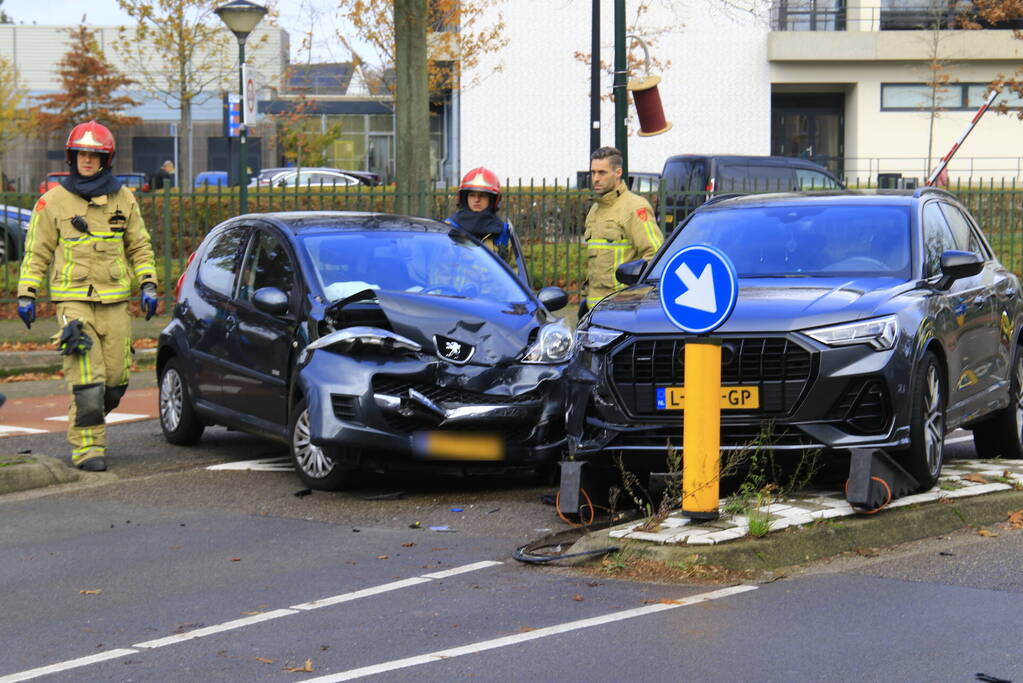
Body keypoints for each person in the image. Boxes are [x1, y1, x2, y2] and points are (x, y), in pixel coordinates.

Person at [16, 120, 158, 472]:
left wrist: (149, 284)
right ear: (72, 156)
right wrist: (27, 294)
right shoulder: (52, 203)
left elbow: (139, 246)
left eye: (95, 155)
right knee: (86, 380)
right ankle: (88, 449)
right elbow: (36, 253)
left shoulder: (124, 199)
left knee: (116, 381)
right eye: (82, 154)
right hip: (73, 303)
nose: (87, 161)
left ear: (106, 160)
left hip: (115, 303)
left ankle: (85, 418)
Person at [580, 146, 664, 316]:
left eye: (602, 173)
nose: (595, 178)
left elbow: (655, 256)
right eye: (593, 172)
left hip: (623, 307)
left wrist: (635, 297)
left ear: (618, 172)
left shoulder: (635, 207)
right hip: (594, 308)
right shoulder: (595, 210)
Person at [444, 167, 514, 263]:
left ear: (492, 199)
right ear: (465, 198)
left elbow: (513, 272)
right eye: (472, 195)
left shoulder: (503, 232)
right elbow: (439, 270)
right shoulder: (448, 228)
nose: (477, 199)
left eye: (483, 195)